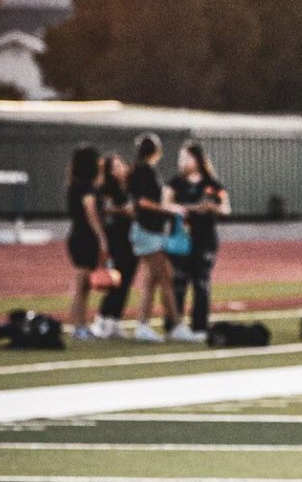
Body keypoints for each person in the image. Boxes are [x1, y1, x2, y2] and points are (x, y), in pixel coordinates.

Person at [127, 132, 197, 343]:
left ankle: (143, 325)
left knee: (152, 280)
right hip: (148, 231)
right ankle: (175, 324)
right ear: (156, 151)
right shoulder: (144, 172)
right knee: (166, 277)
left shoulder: (140, 171)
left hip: (148, 230)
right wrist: (169, 209)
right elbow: (143, 202)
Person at [167, 142, 231, 340]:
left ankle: (200, 327)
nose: (183, 162)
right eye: (181, 158)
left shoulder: (212, 184)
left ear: (198, 159)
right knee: (178, 282)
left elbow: (226, 208)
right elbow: (166, 204)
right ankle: (174, 325)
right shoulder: (175, 183)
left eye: (187, 157)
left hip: (205, 239)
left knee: (201, 283)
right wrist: (193, 208)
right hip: (181, 239)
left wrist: (212, 208)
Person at [90, 153, 138, 339]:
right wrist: (123, 210)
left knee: (126, 281)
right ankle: (102, 319)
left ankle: (115, 320)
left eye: (120, 165)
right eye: (114, 167)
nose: (119, 169)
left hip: (131, 240)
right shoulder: (106, 189)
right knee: (115, 281)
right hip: (115, 240)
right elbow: (103, 209)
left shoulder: (130, 187)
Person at [65, 144, 108, 340]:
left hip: (79, 235)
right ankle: (78, 325)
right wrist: (101, 236)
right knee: (82, 283)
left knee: (84, 285)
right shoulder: (86, 187)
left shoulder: (76, 184)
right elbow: (90, 213)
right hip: (85, 237)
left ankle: (81, 323)